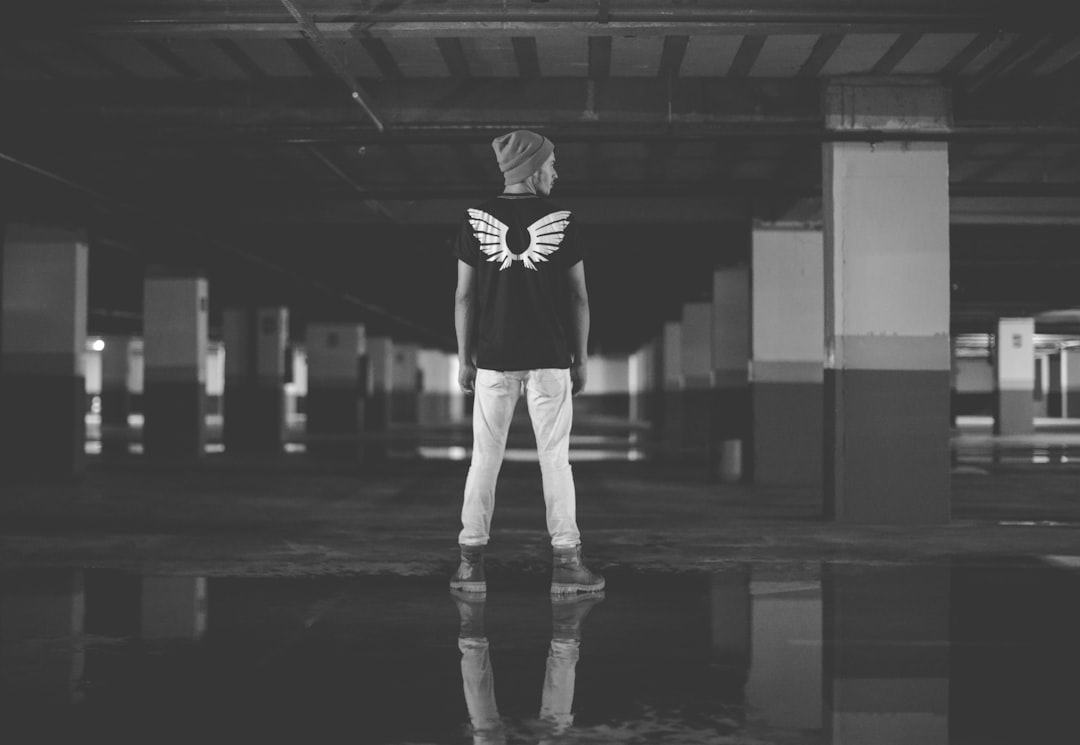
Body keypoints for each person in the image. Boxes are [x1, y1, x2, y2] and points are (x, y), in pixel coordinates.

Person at [449, 129, 604, 596]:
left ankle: (470, 566)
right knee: (555, 460)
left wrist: (465, 359)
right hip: (550, 358)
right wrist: (579, 359)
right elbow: (578, 297)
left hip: (494, 359)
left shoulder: (475, 219)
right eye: (552, 164)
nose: (557, 172)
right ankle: (567, 565)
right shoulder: (563, 219)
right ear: (533, 169)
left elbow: (464, 297)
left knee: (484, 460)